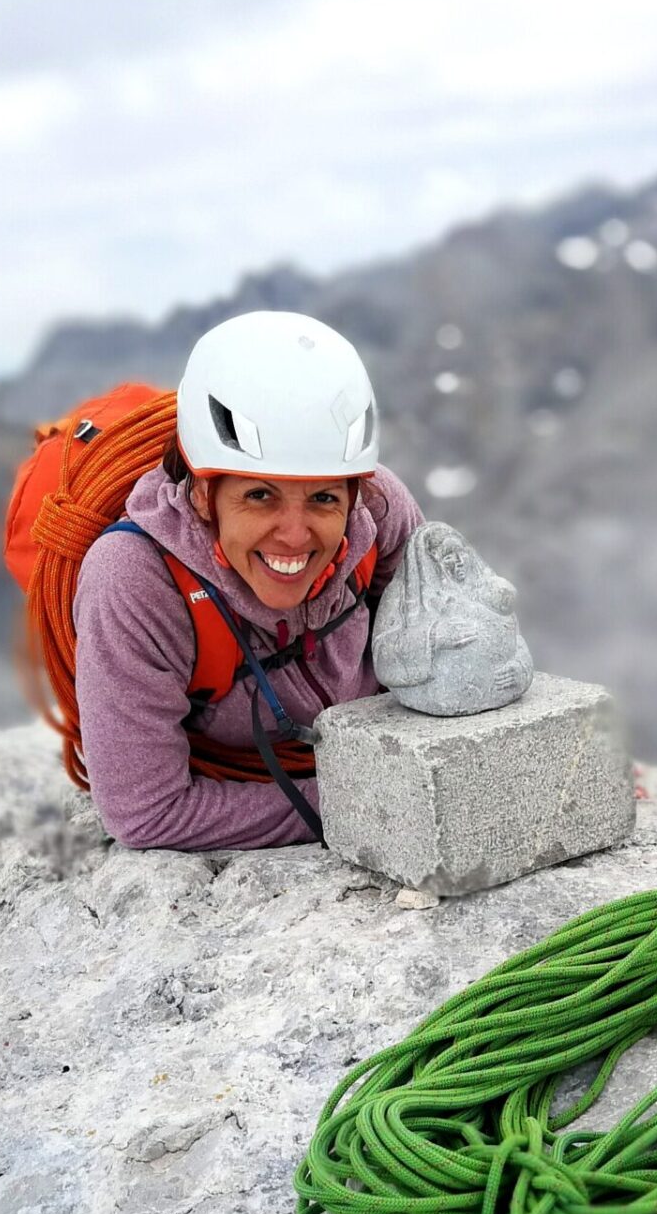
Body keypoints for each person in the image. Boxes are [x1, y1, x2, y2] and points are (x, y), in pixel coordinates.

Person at [73, 311, 424, 849]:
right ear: (201, 493)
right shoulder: (135, 581)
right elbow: (146, 813)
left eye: (324, 497)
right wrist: (367, 800)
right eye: (259, 495)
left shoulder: (378, 511)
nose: (294, 534)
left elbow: (447, 643)